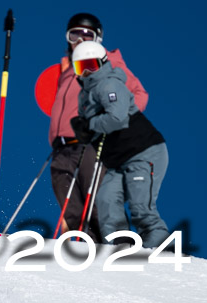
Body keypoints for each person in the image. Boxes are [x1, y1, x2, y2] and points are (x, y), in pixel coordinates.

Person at [48, 13, 149, 242]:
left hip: (92, 144)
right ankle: (87, 255)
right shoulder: (67, 70)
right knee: (72, 212)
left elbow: (138, 94)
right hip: (61, 148)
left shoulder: (107, 61)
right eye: (75, 34)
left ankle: (121, 249)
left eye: (88, 35)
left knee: (99, 205)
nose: (81, 40)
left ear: (98, 39)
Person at [70, 41, 169, 249]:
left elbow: (117, 118)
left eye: (92, 65)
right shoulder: (85, 96)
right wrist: (83, 131)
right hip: (118, 161)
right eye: (81, 67)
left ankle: (159, 249)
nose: (87, 72)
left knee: (141, 207)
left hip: (144, 152)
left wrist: (90, 124)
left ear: (102, 63)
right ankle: (120, 246)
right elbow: (94, 128)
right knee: (106, 200)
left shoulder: (109, 84)